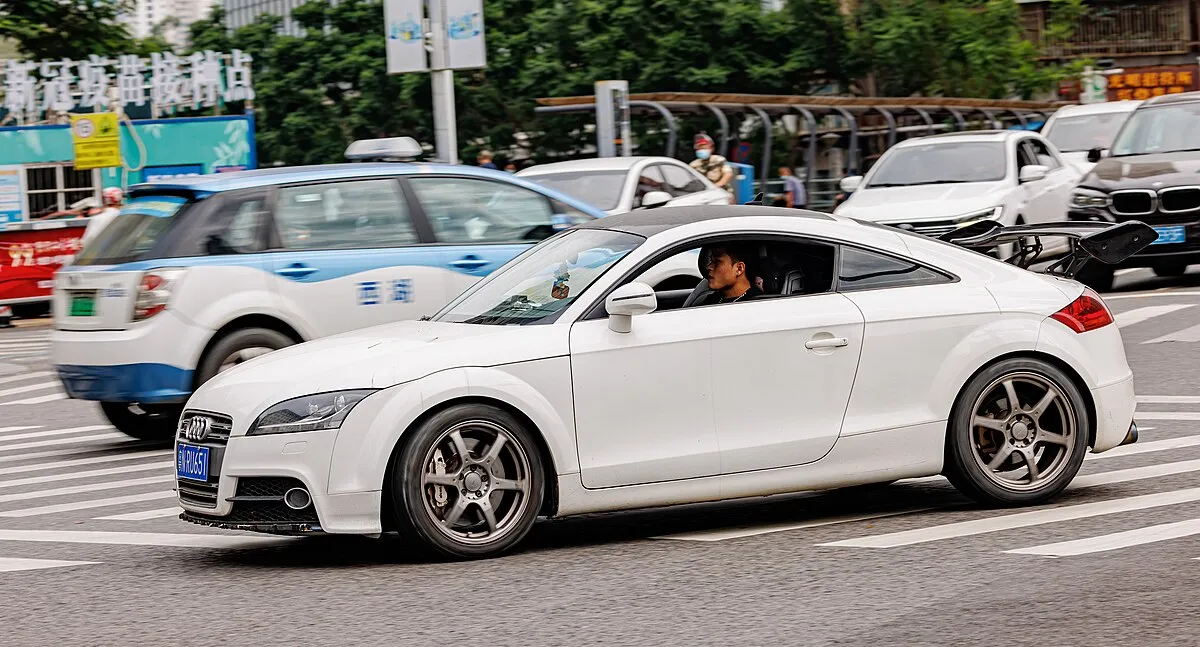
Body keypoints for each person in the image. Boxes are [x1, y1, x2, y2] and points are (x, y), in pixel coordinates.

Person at [693, 244, 762, 306]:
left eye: (717, 262)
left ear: (739, 268)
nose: (709, 267)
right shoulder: (713, 299)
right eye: (711, 261)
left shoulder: (755, 304)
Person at [689, 134, 735, 203]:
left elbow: (728, 174)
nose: (701, 150)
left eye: (704, 148)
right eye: (699, 149)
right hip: (702, 195)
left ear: (711, 149)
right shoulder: (693, 164)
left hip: (721, 193)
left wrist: (715, 186)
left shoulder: (719, 160)